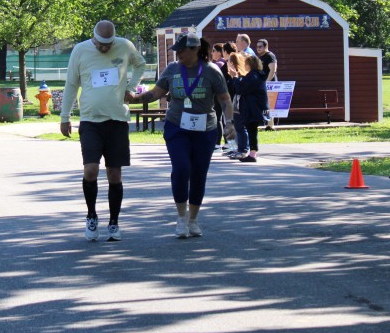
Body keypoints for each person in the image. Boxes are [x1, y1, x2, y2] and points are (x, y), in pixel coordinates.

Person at [131, 33, 233, 238]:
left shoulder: (212, 71)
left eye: (181, 50)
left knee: (198, 173)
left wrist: (229, 123)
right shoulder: (172, 69)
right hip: (177, 127)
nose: (178, 54)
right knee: (181, 169)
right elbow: (155, 93)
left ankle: (193, 220)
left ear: (195, 49)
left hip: (205, 130)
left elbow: (224, 99)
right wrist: (132, 98)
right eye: (176, 51)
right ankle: (181, 218)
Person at [60, 20, 146, 242]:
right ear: (94, 38)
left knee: (114, 174)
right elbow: (71, 84)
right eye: (101, 44)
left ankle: (114, 222)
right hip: (90, 120)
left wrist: (131, 87)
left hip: (117, 119)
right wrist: (65, 117)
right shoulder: (80, 50)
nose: (105, 48)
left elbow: (140, 64)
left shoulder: (125, 46)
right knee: (90, 170)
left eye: (109, 44)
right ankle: (91, 216)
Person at [233, 54, 270, 162]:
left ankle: (253, 154)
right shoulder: (258, 75)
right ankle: (253, 153)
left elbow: (241, 89)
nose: (244, 65)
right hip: (256, 107)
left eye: (246, 63)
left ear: (249, 64)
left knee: (252, 130)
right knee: (252, 130)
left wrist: (235, 78)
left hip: (253, 108)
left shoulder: (253, 76)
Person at [255, 39, 277, 130]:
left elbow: (273, 70)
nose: (258, 48)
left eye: (260, 46)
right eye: (257, 47)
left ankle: (270, 125)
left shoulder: (270, 56)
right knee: (265, 104)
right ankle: (268, 124)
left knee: (270, 104)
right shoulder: (261, 57)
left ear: (266, 46)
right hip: (263, 84)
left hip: (270, 84)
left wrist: (267, 82)